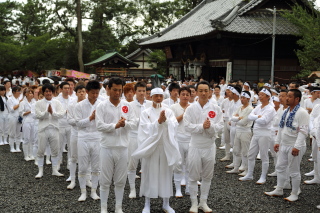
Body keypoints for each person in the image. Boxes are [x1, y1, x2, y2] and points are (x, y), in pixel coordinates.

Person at [132, 87, 181, 213]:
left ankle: (166, 203)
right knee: (149, 174)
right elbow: (144, 129)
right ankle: (147, 203)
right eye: (156, 96)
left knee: (166, 173)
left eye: (160, 96)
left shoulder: (168, 111)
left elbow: (174, 125)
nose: (158, 98)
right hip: (151, 147)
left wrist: (165, 122)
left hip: (165, 146)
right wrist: (158, 122)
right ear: (151, 97)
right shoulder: (145, 112)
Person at [96, 77, 136, 213]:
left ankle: (118, 207)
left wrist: (125, 124)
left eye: (120, 90)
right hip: (107, 147)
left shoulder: (127, 105)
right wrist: (115, 125)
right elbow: (99, 125)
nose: (117, 93)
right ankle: (103, 208)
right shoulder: (101, 106)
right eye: (114, 90)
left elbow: (134, 123)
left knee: (120, 180)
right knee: (105, 180)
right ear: (108, 89)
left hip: (123, 147)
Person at [184, 81, 224, 213]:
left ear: (210, 92)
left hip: (209, 146)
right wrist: (202, 126)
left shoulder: (215, 108)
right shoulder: (190, 108)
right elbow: (187, 126)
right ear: (195, 92)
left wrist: (210, 126)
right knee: (193, 176)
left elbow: (220, 126)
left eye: (206, 90)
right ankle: (194, 203)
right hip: (195, 145)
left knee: (207, 176)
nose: (203, 93)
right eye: (200, 90)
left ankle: (203, 202)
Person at [265, 89, 309, 202]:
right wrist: (277, 142)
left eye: (289, 96)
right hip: (284, 144)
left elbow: (303, 131)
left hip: (294, 145)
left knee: (293, 170)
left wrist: (297, 147)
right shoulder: (286, 111)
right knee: (280, 167)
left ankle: (294, 193)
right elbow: (281, 128)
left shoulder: (302, 112)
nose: (286, 98)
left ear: (297, 99)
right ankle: (279, 189)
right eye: (286, 96)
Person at [239, 88, 276, 184]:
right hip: (256, 132)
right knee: (251, 154)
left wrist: (256, 117)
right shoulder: (258, 107)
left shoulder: (270, 108)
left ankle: (263, 177)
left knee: (264, 156)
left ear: (268, 97)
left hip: (265, 133)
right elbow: (250, 117)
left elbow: (264, 121)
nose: (259, 96)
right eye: (259, 94)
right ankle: (250, 174)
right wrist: (257, 117)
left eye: (262, 95)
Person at [74, 80, 101, 202]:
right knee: (83, 167)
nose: (95, 95)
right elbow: (78, 123)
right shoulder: (79, 106)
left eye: (97, 93)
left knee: (96, 167)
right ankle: (83, 192)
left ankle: (94, 191)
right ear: (87, 92)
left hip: (97, 138)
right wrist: (90, 118)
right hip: (83, 138)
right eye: (93, 93)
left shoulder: (101, 104)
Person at [127, 81, 152, 199]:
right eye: (139, 91)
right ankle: (132, 189)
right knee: (132, 163)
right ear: (134, 92)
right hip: (133, 136)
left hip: (147, 137)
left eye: (144, 91)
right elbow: (127, 122)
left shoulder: (150, 104)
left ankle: (145, 188)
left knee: (146, 164)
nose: (142, 93)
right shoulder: (129, 105)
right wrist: (141, 120)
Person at [35, 83, 65, 178]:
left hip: (54, 128)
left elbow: (61, 114)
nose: (48, 93)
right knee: (41, 149)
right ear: (43, 92)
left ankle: (54, 169)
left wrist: (53, 113)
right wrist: (46, 112)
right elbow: (38, 115)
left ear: (53, 92)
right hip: (43, 128)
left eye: (50, 91)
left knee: (55, 150)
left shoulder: (57, 103)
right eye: (46, 91)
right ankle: (40, 171)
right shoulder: (38, 103)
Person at [170, 87, 191, 197]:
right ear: (179, 95)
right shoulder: (174, 107)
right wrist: (184, 114)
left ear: (190, 96)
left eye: (187, 94)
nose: (185, 96)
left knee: (189, 164)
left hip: (190, 139)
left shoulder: (192, 107)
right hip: (178, 138)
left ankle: (188, 187)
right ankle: (178, 189)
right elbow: (172, 122)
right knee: (178, 164)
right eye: (183, 94)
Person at [226, 91, 253, 176]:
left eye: (244, 98)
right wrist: (238, 118)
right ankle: (236, 168)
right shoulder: (240, 107)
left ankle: (246, 169)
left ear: (248, 99)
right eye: (241, 97)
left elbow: (243, 122)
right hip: (238, 130)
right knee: (236, 149)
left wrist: (236, 119)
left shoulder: (250, 109)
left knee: (246, 151)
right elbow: (233, 117)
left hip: (246, 131)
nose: (242, 99)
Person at [66, 85, 87, 189]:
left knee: (87, 157)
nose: (82, 93)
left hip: (86, 134)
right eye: (79, 92)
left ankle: (87, 179)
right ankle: (73, 179)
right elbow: (69, 120)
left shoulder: (88, 104)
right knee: (73, 156)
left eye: (83, 91)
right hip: (75, 133)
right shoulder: (71, 105)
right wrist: (80, 122)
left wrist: (83, 122)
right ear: (76, 93)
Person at [57, 82, 72, 171]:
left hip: (70, 125)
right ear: (61, 89)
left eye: (68, 88)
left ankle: (70, 163)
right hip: (60, 124)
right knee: (59, 145)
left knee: (70, 145)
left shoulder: (73, 99)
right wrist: (64, 112)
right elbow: (55, 113)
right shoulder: (57, 100)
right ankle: (58, 162)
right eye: (65, 88)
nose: (67, 90)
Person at [19, 88, 36, 161]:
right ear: (26, 94)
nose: (31, 94)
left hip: (33, 121)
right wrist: (29, 112)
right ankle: (26, 155)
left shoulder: (34, 102)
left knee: (32, 139)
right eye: (29, 93)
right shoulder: (22, 103)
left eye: (32, 93)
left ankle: (31, 154)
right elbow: (21, 113)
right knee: (26, 138)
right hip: (26, 121)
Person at [7, 86, 23, 152]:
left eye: (20, 91)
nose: (19, 93)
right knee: (12, 133)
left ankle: (17, 147)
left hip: (19, 117)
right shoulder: (10, 99)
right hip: (12, 117)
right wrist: (19, 104)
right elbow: (11, 109)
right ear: (13, 92)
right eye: (18, 91)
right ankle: (12, 147)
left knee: (18, 133)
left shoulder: (18, 99)